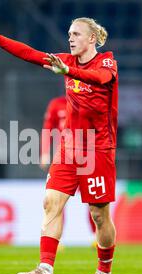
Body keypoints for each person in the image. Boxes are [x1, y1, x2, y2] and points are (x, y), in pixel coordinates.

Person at [0, 15, 118, 274]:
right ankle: (44, 268)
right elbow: (29, 53)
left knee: (99, 215)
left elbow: (101, 78)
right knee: (51, 202)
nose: (70, 38)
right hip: (69, 147)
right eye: (69, 34)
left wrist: (67, 72)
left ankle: (103, 272)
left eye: (76, 34)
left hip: (98, 148)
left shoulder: (106, 62)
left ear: (92, 39)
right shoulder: (66, 61)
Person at [41, 95, 97, 236]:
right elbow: (48, 128)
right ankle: (56, 239)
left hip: (88, 156)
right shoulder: (56, 104)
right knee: (55, 200)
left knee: (94, 201)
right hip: (65, 157)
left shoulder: (91, 101)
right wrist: (45, 152)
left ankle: (97, 237)